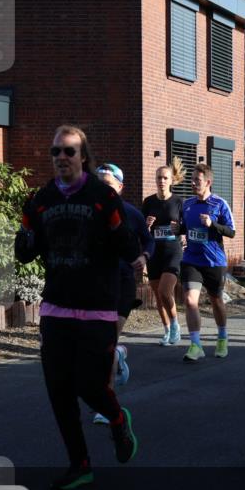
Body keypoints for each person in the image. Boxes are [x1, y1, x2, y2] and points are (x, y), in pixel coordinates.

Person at [15, 125, 141, 490]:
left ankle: (117, 420)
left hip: (97, 310)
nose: (61, 158)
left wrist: (136, 258)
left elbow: (127, 246)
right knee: (59, 390)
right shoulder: (41, 201)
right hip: (56, 309)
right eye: (56, 152)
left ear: (83, 156)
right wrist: (24, 237)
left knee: (90, 386)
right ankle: (80, 464)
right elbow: (24, 253)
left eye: (68, 151)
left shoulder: (103, 196)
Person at [95, 164, 152, 416]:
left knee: (106, 342)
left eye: (107, 185)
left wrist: (145, 256)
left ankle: (107, 407)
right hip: (96, 284)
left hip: (123, 282)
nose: (101, 190)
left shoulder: (131, 213)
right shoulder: (88, 213)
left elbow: (148, 239)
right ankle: (117, 352)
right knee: (101, 345)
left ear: (120, 187)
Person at [178, 164, 236, 362]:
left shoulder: (220, 204)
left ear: (208, 182)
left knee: (216, 301)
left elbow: (231, 231)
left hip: (213, 261)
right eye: (192, 179)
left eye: (198, 180)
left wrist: (213, 225)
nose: (193, 183)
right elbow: (184, 228)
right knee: (190, 301)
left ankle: (222, 338)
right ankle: (195, 345)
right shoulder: (187, 204)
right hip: (191, 259)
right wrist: (177, 229)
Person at [142, 160, 185, 346]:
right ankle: (167, 330)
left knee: (165, 291)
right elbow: (141, 230)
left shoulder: (178, 202)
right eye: (159, 177)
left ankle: (175, 324)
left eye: (165, 177)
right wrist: (147, 225)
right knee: (158, 295)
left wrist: (181, 231)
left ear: (171, 181)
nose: (161, 181)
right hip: (154, 251)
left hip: (173, 251)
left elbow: (186, 227)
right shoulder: (148, 202)